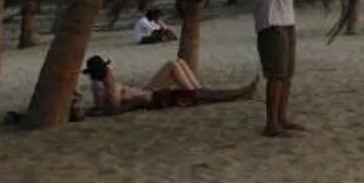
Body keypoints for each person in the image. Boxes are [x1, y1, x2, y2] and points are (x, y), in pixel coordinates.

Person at [253, 0, 311, 138]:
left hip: (287, 20)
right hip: (271, 21)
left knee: (287, 74)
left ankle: (281, 117)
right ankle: (271, 122)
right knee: (276, 74)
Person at [85, 53, 258, 114]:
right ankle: (200, 91)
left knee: (177, 63)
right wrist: (111, 83)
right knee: (174, 67)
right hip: (151, 96)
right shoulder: (103, 86)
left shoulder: (98, 85)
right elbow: (113, 107)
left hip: (147, 91)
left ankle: (197, 89)